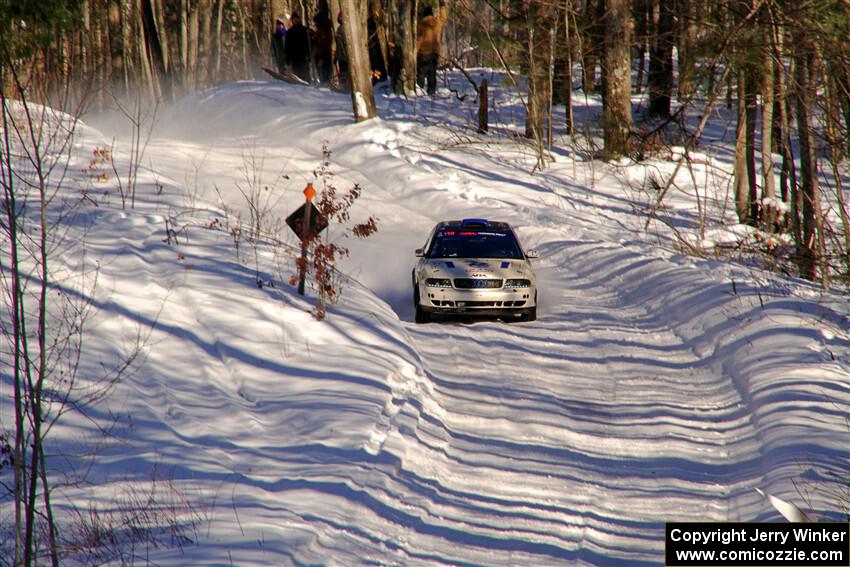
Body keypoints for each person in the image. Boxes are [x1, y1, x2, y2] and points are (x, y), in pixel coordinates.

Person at [416, 0, 447, 95]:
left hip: (423, 54)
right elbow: (443, 18)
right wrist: (442, 6)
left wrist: (416, 52)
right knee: (432, 75)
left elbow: (418, 40)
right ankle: (431, 93)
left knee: (421, 75)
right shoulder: (437, 23)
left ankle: (419, 92)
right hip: (434, 54)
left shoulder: (420, 25)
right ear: (432, 13)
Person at [285, 12, 310, 82]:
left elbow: (308, 43)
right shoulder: (289, 32)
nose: (295, 20)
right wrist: (287, 59)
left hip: (303, 56)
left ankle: (307, 83)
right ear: (292, 20)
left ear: (299, 19)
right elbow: (287, 47)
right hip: (294, 57)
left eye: (297, 19)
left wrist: (308, 55)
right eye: (294, 19)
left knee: (305, 73)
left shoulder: (304, 30)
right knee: (296, 73)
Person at [312, 12, 334, 85]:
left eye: (316, 22)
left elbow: (326, 41)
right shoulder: (318, 30)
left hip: (324, 53)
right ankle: (322, 81)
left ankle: (326, 81)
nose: (315, 24)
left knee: (324, 68)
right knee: (319, 68)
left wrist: (317, 40)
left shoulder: (326, 29)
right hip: (318, 52)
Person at [334, 12, 349, 90]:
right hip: (340, 55)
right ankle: (343, 87)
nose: (341, 18)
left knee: (346, 72)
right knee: (343, 72)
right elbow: (338, 44)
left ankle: (347, 87)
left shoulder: (346, 28)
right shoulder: (339, 28)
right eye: (340, 17)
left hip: (346, 55)